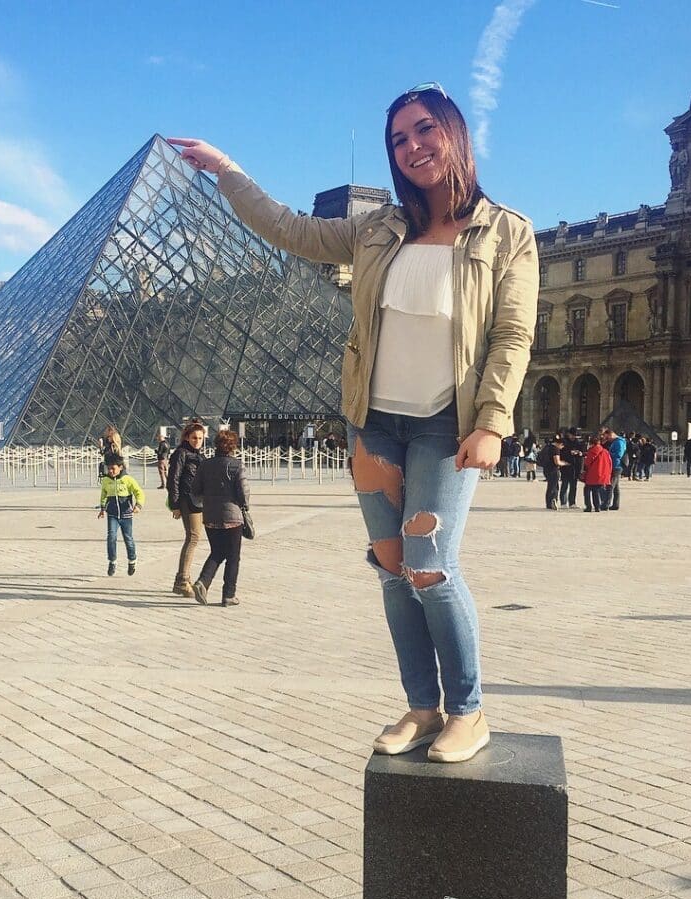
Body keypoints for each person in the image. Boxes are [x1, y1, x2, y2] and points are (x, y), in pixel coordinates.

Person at [169, 79, 537, 763]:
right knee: (393, 568)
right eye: (398, 139)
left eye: (424, 129)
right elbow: (289, 229)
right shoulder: (376, 229)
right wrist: (228, 172)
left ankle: (468, 711)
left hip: (446, 425)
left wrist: (492, 421)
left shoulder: (508, 232)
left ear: (454, 133)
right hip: (375, 422)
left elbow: (512, 335)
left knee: (430, 566)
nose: (412, 146)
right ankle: (422, 708)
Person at [191, 429, 250, 607]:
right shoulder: (237, 465)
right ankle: (228, 595)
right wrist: (244, 506)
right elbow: (243, 491)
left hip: (210, 515)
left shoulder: (205, 465)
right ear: (233, 446)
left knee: (217, 551)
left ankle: (203, 582)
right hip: (232, 516)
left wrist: (205, 502)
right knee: (233, 557)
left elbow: (195, 490)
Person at [167, 421, 206, 597]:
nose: (197, 441)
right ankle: (182, 580)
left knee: (193, 537)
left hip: (197, 500)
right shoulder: (181, 453)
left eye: (200, 438)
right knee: (193, 537)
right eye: (194, 438)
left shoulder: (198, 455)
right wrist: (175, 504)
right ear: (187, 438)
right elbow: (173, 479)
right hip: (187, 499)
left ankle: (183, 579)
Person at [97, 452, 144, 576]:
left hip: (126, 514)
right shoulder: (106, 480)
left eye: (113, 468)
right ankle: (112, 561)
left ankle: (132, 560)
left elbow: (139, 492)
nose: (110, 471)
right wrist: (102, 508)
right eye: (109, 468)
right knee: (111, 537)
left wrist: (138, 505)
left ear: (120, 467)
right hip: (112, 514)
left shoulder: (128, 479)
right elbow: (103, 494)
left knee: (128, 538)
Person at [582, 434, 612, 512]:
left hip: (592, 474)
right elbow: (609, 463)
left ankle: (588, 506)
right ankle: (597, 507)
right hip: (602, 474)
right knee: (596, 490)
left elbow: (587, 462)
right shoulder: (605, 451)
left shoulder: (591, 451)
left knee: (587, 490)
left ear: (591, 443)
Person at [538, 436, 565, 510]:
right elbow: (557, 462)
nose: (562, 448)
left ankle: (548, 503)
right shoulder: (555, 449)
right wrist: (565, 463)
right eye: (562, 445)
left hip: (546, 469)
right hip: (553, 470)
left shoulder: (547, 447)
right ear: (559, 444)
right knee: (554, 487)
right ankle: (553, 500)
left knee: (550, 486)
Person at [602, 428, 626, 510]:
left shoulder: (619, 442)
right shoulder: (615, 442)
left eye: (607, 437)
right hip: (614, 465)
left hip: (616, 466)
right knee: (616, 487)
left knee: (610, 485)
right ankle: (616, 504)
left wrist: (608, 453)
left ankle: (606, 504)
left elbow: (619, 454)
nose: (607, 439)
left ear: (611, 434)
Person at [559, 429, 584, 509]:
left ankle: (572, 502)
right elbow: (560, 453)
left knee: (573, 486)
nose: (573, 437)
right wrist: (569, 452)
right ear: (569, 434)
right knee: (564, 485)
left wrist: (580, 453)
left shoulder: (578, 443)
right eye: (572, 435)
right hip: (566, 466)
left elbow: (583, 454)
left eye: (575, 436)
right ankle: (563, 502)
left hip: (575, 467)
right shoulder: (564, 442)